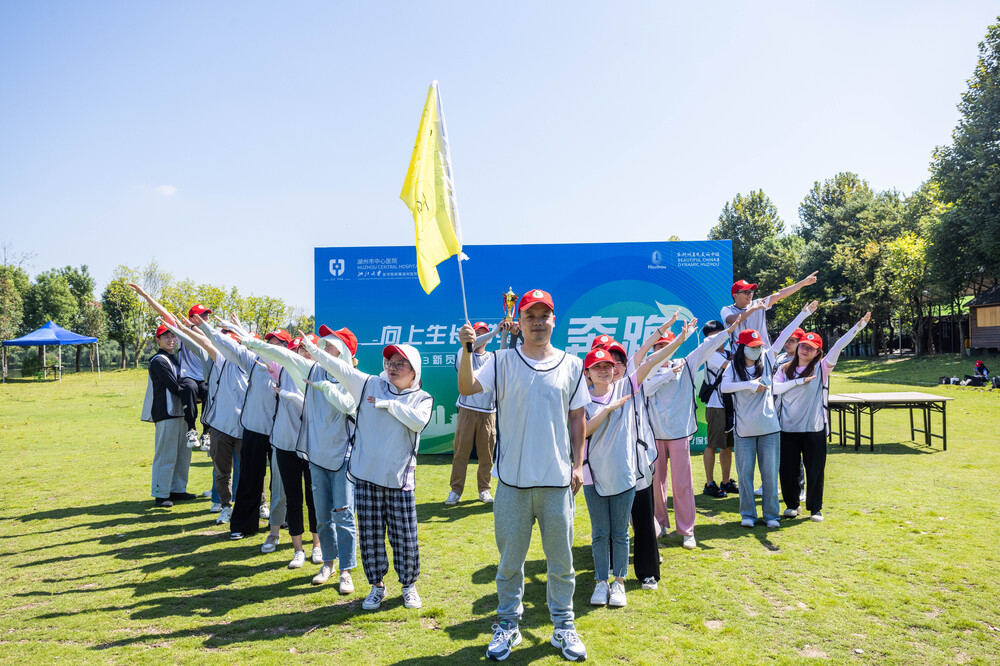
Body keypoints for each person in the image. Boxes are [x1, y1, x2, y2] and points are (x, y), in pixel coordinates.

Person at [458, 289, 589, 663]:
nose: (537, 321)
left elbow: (577, 417)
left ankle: (563, 626)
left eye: (543, 315)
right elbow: (466, 388)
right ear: (522, 321)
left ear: (553, 319)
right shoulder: (501, 360)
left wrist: (578, 464)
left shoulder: (571, 364)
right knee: (509, 564)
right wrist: (467, 350)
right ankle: (507, 626)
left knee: (560, 563)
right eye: (530, 315)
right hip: (512, 484)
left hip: (556, 482)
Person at [311, 337, 433, 611]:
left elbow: (418, 421)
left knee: (405, 537)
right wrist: (314, 351)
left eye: (401, 363)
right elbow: (339, 368)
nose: (393, 367)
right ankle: (376, 586)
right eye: (390, 362)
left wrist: (388, 404)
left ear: (414, 371)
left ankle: (408, 585)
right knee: (370, 536)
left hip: (399, 480)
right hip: (366, 477)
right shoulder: (368, 383)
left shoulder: (422, 398)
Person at [582, 326, 688, 608]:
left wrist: (676, 340)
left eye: (611, 363)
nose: (606, 369)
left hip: (630, 469)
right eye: (598, 365)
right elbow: (579, 433)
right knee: (601, 532)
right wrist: (607, 409)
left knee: (626, 528)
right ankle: (601, 581)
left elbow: (649, 360)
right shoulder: (581, 398)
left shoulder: (627, 385)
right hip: (595, 475)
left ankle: (627, 580)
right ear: (587, 371)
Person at [645, 305, 762, 548]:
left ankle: (687, 530)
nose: (662, 351)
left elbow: (705, 347)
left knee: (683, 485)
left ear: (674, 347)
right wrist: (667, 373)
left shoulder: (686, 363)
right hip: (654, 434)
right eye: (658, 347)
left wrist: (727, 331)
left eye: (666, 346)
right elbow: (647, 388)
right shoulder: (648, 368)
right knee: (656, 483)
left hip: (679, 435)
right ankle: (660, 523)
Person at [720, 301, 817, 529]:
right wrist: (748, 385)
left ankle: (771, 515)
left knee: (770, 475)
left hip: (770, 430)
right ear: (741, 347)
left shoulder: (768, 356)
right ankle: (747, 514)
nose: (756, 349)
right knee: (744, 475)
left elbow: (784, 335)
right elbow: (724, 388)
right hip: (744, 431)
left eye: (758, 345)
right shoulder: (733, 368)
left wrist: (803, 313)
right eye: (751, 346)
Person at [776, 313, 870, 522]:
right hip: (787, 428)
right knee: (788, 469)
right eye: (803, 346)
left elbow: (838, 345)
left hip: (814, 427)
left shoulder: (822, 367)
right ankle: (792, 505)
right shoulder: (784, 368)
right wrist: (796, 382)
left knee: (815, 469)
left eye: (811, 348)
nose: (805, 350)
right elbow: (775, 388)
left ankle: (815, 508)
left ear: (818, 352)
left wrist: (857, 328)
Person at [446, 321, 503, 506]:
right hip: (467, 410)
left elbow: (503, 357)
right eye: (477, 333)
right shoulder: (464, 353)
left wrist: (502, 333)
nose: (479, 337)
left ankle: (484, 490)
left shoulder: (493, 357)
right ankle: (455, 491)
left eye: (482, 333)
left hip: (488, 412)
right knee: (461, 453)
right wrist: (495, 331)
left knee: (487, 454)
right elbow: (472, 345)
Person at [141, 325, 194, 507]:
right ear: (158, 340)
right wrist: (194, 395)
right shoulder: (159, 360)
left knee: (183, 454)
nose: (171, 340)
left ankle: (178, 490)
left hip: (181, 412)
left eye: (173, 336)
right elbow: (174, 386)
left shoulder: (177, 359)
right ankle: (161, 493)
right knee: (165, 454)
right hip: (165, 413)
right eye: (166, 337)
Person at [722, 272, 818, 348]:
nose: (750, 294)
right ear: (735, 295)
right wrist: (753, 308)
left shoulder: (759, 303)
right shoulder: (727, 309)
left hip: (763, 353)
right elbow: (733, 320)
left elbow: (780, 294)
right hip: (740, 356)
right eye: (746, 292)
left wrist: (803, 283)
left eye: (751, 291)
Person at [700, 320, 736, 498]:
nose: (718, 339)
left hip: (730, 405)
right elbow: (732, 369)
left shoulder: (729, 353)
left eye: (721, 334)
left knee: (728, 446)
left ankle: (726, 481)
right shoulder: (710, 354)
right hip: (716, 405)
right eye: (712, 337)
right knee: (713, 445)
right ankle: (709, 483)